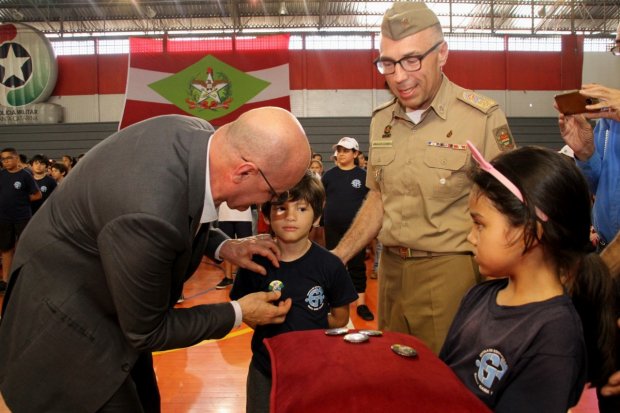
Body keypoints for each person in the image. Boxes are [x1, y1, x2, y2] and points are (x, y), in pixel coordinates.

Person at [0, 107, 311, 412]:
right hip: (67, 325)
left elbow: (184, 205)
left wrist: (222, 245)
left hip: (104, 299)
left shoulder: (197, 135)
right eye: (274, 193)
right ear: (244, 172)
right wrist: (239, 312)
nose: (270, 203)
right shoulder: (148, 214)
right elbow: (148, 331)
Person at [331, 1, 514, 353]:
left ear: (442, 53)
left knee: (446, 375)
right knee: (395, 372)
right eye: (388, 63)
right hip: (391, 273)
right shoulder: (381, 120)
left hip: (451, 272)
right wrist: (339, 255)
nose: (399, 76)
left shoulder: (481, 118)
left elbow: (508, 209)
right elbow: (379, 198)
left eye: (412, 60)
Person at [440, 143, 617, 412]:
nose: (470, 237)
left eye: (480, 225)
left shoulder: (554, 336)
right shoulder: (477, 296)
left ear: (530, 233)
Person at [230, 171, 358, 413]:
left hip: (317, 369)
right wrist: (268, 324)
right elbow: (243, 308)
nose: (290, 217)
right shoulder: (254, 263)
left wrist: (310, 327)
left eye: (301, 209)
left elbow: (340, 317)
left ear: (317, 217)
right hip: (265, 369)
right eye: (281, 208)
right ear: (266, 215)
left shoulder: (330, 265)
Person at [322, 136, 373, 321]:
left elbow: (371, 202)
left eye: (346, 150)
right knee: (334, 264)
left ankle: (361, 304)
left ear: (355, 153)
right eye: (339, 150)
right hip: (332, 226)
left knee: (357, 265)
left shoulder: (363, 176)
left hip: (356, 229)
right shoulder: (329, 176)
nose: (341, 154)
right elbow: (322, 199)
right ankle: (333, 301)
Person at [0, 148, 41, 293]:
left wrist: (22, 199)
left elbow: (37, 195)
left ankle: (26, 278)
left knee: (24, 247)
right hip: (4, 217)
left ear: (16, 158)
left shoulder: (25, 175)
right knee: (6, 249)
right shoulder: (2, 175)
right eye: (3, 159)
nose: (5, 161)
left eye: (8, 158)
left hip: (22, 217)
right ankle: (5, 280)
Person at [215, 201, 253, 289]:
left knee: (245, 248)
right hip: (225, 215)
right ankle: (228, 278)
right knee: (226, 246)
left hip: (244, 215)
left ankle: (245, 278)